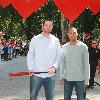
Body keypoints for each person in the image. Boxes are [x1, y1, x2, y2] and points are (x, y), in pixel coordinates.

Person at [27, 19, 61, 100]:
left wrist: (54, 67)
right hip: (36, 74)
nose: (48, 27)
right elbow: (30, 55)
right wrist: (31, 68)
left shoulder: (56, 40)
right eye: (46, 25)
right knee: (33, 97)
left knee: (50, 98)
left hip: (50, 75)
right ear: (42, 26)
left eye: (50, 26)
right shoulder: (35, 39)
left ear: (52, 27)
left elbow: (58, 56)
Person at [60, 27, 90, 100]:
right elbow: (62, 63)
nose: (72, 35)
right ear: (68, 34)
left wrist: (87, 79)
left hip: (80, 78)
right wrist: (61, 76)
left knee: (81, 98)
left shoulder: (83, 46)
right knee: (66, 98)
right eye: (70, 33)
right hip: (68, 78)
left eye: (74, 33)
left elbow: (86, 64)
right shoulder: (64, 47)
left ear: (77, 34)